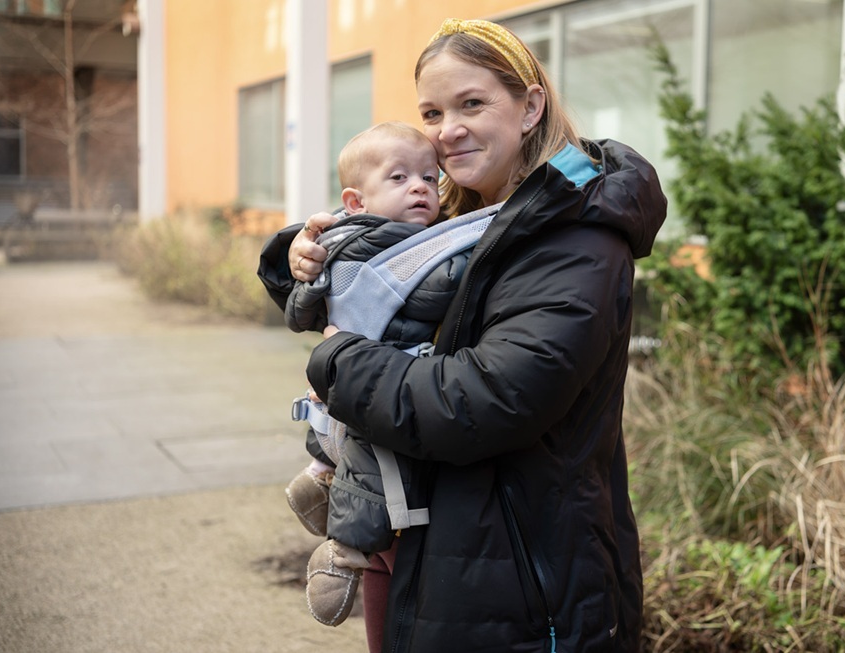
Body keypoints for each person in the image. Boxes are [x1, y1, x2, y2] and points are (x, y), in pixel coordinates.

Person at [258, 17, 667, 653]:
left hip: (521, 580)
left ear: (531, 106)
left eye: (471, 103)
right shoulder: (461, 213)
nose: (447, 131)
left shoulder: (574, 238)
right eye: (432, 111)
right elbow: (379, 286)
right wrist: (307, 256)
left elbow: (485, 400)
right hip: (426, 544)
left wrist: (339, 360)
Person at [280, 120, 447, 627]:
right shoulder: (392, 242)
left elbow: (300, 313)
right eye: (399, 178)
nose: (420, 186)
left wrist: (305, 275)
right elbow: (435, 292)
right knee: (375, 472)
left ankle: (318, 479)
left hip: (350, 382)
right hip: (378, 385)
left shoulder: (344, 237)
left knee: (355, 455)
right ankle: (343, 550)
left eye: (429, 177)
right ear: (356, 201)